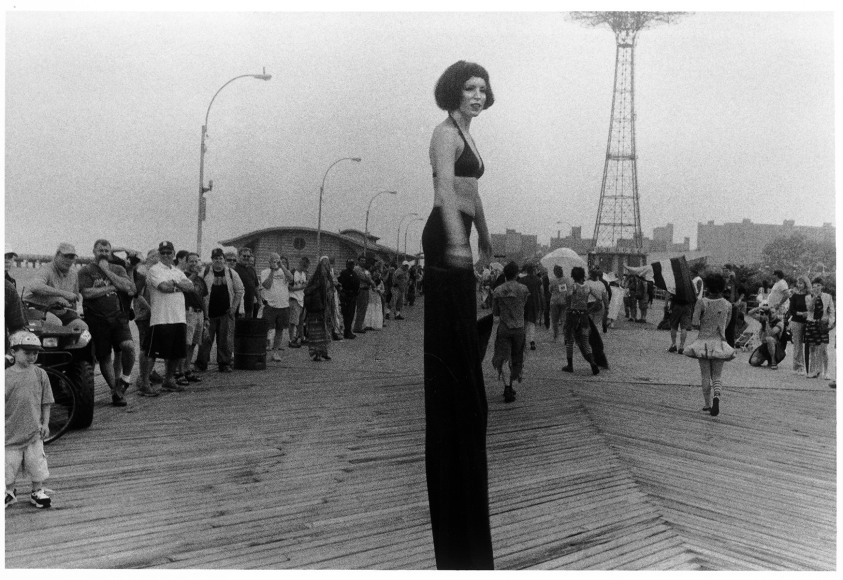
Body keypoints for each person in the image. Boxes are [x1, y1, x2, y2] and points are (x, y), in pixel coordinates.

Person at [422, 60, 495, 570]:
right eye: (469, 87)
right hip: (445, 237)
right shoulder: (443, 133)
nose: (478, 93)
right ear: (453, 91)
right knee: (452, 345)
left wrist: (485, 237)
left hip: (463, 236)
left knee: (466, 345)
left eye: (483, 87)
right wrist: (454, 241)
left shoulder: (468, 134)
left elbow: (473, 193)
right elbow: (447, 189)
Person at [77, 239, 137, 406]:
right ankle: (115, 391)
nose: (103, 253)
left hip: (118, 316)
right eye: (100, 250)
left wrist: (106, 271)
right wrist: (111, 287)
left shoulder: (118, 268)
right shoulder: (85, 270)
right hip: (96, 318)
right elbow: (87, 293)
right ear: (94, 251)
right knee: (104, 356)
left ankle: (125, 379)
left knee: (129, 347)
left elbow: (128, 287)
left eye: (106, 250)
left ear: (110, 252)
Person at [5, 331, 54, 509]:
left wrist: (46, 423)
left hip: (34, 430)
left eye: (35, 353)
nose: (32, 357)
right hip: (10, 431)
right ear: (13, 351)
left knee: (36, 463)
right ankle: (9, 491)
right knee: (8, 464)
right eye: (27, 353)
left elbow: (46, 401)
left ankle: (37, 490)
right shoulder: (5, 376)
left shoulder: (40, 374)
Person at [683, 273, 735, 416]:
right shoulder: (728, 305)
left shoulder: (702, 302)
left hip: (704, 342)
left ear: (708, 287)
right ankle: (717, 396)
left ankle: (707, 404)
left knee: (705, 375)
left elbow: (694, 323)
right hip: (720, 343)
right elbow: (726, 324)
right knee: (717, 376)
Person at [144, 241, 194, 390]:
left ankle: (169, 379)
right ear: (159, 254)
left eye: (169, 252)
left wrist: (174, 283)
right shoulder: (154, 270)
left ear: (174, 254)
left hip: (178, 317)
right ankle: (145, 382)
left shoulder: (178, 271)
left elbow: (190, 287)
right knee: (151, 352)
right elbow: (163, 287)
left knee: (176, 352)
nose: (166, 255)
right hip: (161, 317)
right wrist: (179, 285)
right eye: (163, 253)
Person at [22, 243, 88, 333]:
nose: (68, 260)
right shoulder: (46, 269)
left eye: (71, 257)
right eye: (65, 256)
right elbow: (35, 286)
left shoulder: (73, 274)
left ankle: (69, 346)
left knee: (82, 327)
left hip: (62, 311)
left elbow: (74, 299)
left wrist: (70, 306)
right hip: (38, 309)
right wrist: (63, 294)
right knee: (55, 324)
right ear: (57, 255)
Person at [197, 248, 244, 373]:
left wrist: (234, 308)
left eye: (220, 258)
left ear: (224, 260)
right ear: (212, 260)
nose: (218, 260)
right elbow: (198, 289)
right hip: (208, 314)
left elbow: (240, 290)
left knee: (225, 341)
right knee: (205, 340)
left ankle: (224, 363)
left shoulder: (232, 273)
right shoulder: (205, 272)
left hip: (226, 313)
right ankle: (201, 364)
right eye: (215, 258)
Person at [491, 261, 530, 403]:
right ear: (516, 274)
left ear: (505, 274)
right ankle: (511, 385)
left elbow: (495, 312)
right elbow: (524, 305)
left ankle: (507, 388)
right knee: (516, 357)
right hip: (519, 328)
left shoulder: (498, 290)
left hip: (504, 328)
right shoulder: (524, 289)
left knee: (503, 358)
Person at [563, 266, 601, 375]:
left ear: (573, 276)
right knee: (585, 342)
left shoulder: (573, 286)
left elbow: (568, 296)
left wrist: (569, 306)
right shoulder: (588, 287)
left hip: (573, 316)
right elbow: (599, 298)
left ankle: (570, 365)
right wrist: (590, 309)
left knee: (569, 341)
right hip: (584, 316)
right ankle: (593, 364)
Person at [133, 249, 161, 396]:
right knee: (145, 347)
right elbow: (136, 294)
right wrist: (151, 309)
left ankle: (149, 373)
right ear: (150, 257)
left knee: (153, 346)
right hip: (144, 316)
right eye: (157, 256)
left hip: (154, 316)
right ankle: (142, 379)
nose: (159, 258)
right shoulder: (142, 273)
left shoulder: (154, 273)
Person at [176, 252, 206, 383]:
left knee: (194, 343)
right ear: (186, 262)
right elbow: (186, 286)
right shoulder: (182, 275)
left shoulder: (201, 279)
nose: (194, 264)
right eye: (191, 261)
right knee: (185, 343)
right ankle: (179, 372)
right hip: (188, 312)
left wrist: (207, 317)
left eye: (196, 261)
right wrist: (194, 274)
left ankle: (187, 369)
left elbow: (203, 298)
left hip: (199, 313)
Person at [260, 253, 294, 362]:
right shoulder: (264, 272)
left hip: (284, 305)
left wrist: (282, 266)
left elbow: (291, 279)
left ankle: (275, 352)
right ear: (269, 262)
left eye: (277, 261)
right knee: (266, 329)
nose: (276, 263)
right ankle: (262, 351)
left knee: (280, 329)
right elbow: (267, 285)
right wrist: (272, 270)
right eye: (273, 261)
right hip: (270, 305)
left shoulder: (284, 271)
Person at [303, 256, 333, 362]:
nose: (326, 267)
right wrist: (316, 287)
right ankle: (316, 353)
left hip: (326, 308)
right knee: (316, 331)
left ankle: (324, 351)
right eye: (324, 265)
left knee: (326, 330)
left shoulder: (328, 277)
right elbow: (306, 291)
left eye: (327, 265)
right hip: (316, 308)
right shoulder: (316, 278)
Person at [804, 277, 835, 379]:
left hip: (822, 324)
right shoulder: (808, 297)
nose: (816, 288)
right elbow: (810, 309)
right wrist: (814, 297)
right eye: (814, 286)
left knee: (823, 348)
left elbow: (831, 311)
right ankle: (814, 370)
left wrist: (830, 323)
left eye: (818, 286)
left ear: (822, 287)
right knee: (812, 348)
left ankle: (826, 372)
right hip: (812, 323)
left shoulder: (828, 297)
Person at [747, 302, 785, 370]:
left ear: (776, 313)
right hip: (765, 346)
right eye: (770, 312)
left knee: (769, 338)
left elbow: (771, 333)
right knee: (754, 362)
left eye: (773, 312)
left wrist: (767, 322)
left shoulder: (779, 323)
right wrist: (760, 307)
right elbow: (750, 313)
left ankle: (773, 361)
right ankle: (766, 358)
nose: (771, 314)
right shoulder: (764, 319)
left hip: (777, 349)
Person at [787, 275, 811, 374]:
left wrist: (807, 313)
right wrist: (800, 313)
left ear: (806, 284)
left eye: (801, 283)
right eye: (798, 283)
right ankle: (797, 367)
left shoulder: (810, 296)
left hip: (808, 322)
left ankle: (809, 367)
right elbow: (791, 309)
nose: (799, 285)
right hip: (796, 321)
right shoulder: (795, 296)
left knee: (809, 345)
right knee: (797, 344)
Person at [519, 262, 543, 351]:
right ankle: (532, 341)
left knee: (524, 322)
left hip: (524, 303)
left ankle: (523, 341)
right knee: (532, 323)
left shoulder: (521, 280)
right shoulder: (538, 280)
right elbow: (541, 292)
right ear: (533, 270)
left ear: (526, 271)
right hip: (534, 303)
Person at [666, 284, 694, 355]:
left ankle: (673, 344)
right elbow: (694, 296)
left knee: (674, 326)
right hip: (687, 306)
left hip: (676, 306)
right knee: (684, 327)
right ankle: (681, 346)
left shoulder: (675, 283)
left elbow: (669, 295)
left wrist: (668, 306)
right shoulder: (689, 284)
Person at [234, 247, 260, 319]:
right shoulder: (235, 269)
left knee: (248, 328)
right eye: (244, 256)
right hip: (237, 307)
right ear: (239, 256)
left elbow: (256, 286)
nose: (246, 258)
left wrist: (259, 300)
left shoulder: (252, 269)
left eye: (248, 256)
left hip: (250, 306)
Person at [289, 257, 309, 348]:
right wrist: (302, 287)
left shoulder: (304, 274)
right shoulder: (293, 272)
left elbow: (306, 286)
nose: (305, 268)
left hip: (302, 299)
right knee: (293, 321)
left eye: (306, 266)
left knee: (301, 321)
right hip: (294, 298)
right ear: (300, 263)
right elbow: (289, 288)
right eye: (304, 265)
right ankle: (291, 339)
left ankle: (299, 337)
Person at [338, 259, 360, 339]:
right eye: (350, 264)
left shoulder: (354, 273)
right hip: (346, 296)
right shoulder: (344, 273)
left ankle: (348, 330)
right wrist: (343, 293)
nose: (351, 265)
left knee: (351, 314)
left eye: (352, 264)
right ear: (346, 264)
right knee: (346, 314)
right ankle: (346, 332)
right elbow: (340, 283)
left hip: (353, 296)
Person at [547, 265, 569, 341]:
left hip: (554, 302)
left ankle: (555, 336)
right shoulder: (566, 279)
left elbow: (550, 290)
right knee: (564, 319)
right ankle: (566, 336)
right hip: (564, 301)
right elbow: (568, 290)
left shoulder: (552, 280)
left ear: (555, 272)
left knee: (554, 320)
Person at [352, 255, 372, 334]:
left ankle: (359, 325)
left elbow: (369, 277)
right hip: (361, 290)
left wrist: (369, 278)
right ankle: (357, 327)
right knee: (361, 308)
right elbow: (365, 277)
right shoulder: (357, 269)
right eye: (362, 260)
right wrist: (369, 279)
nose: (363, 262)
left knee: (363, 308)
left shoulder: (364, 269)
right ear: (358, 261)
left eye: (364, 261)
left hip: (366, 289)